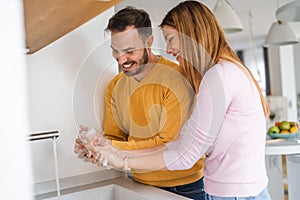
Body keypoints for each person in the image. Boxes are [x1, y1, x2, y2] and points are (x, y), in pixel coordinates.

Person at [86, 1, 272, 200]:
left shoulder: (218, 77)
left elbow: (185, 155)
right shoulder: (228, 71)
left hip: (234, 195)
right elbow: (183, 143)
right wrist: (106, 148)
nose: (168, 49)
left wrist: (119, 159)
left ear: (191, 34)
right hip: (241, 191)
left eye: (171, 39)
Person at [74, 6, 206, 200]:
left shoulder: (177, 78)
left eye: (129, 51)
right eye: (115, 51)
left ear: (149, 41)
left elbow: (167, 144)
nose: (121, 60)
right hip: (138, 183)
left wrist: (108, 146)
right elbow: (115, 137)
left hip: (184, 186)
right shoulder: (115, 86)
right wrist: (97, 151)